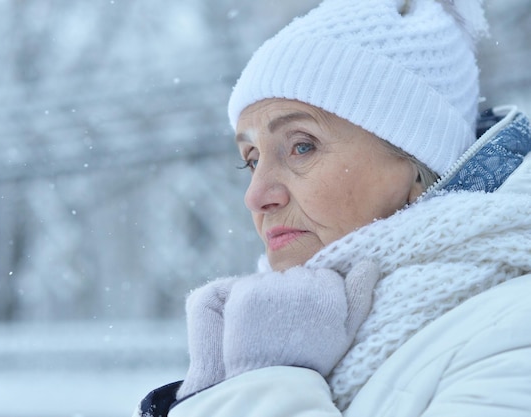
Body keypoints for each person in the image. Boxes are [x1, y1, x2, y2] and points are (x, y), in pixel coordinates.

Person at [134, 0, 531, 415]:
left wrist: (265, 379)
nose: (256, 196)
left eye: (301, 146)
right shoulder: (289, 322)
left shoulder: (514, 334)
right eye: (251, 160)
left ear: (416, 168)